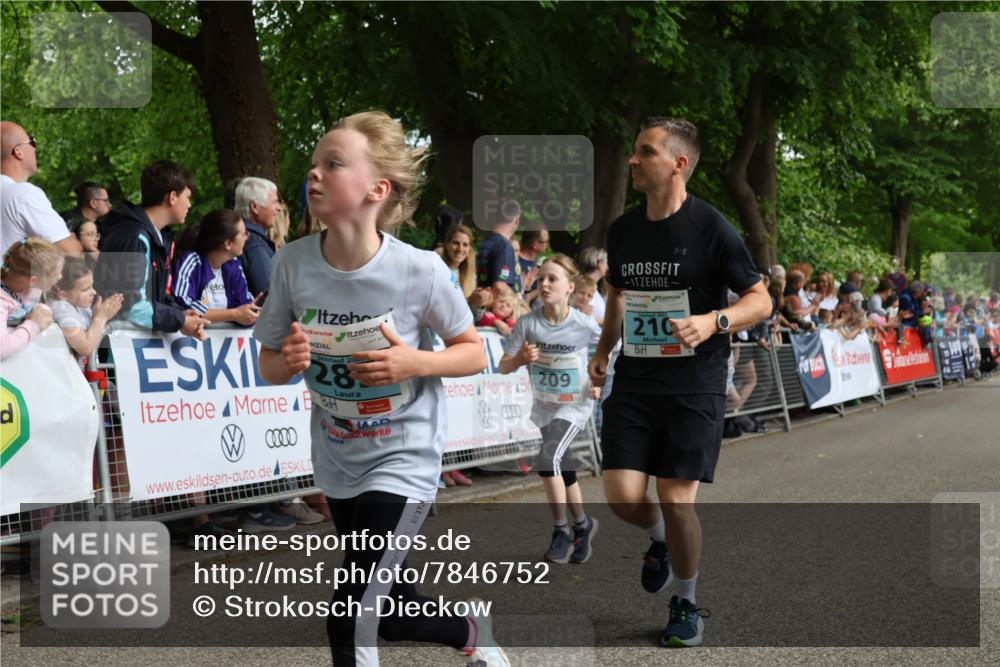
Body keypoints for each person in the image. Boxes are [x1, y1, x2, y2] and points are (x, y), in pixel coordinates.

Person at [254, 110, 509, 666]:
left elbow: (474, 350)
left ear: (378, 188)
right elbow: (269, 364)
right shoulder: (293, 263)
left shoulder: (419, 270)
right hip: (339, 455)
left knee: (353, 608)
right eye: (313, 164)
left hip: (405, 454)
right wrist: (290, 359)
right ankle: (468, 630)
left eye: (333, 163)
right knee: (391, 606)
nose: (313, 174)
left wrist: (412, 362)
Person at [587, 117, 771, 648]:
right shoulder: (622, 231)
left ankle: (686, 602)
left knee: (676, 497)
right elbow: (618, 297)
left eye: (645, 152)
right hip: (637, 382)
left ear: (678, 163)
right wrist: (603, 351)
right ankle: (660, 540)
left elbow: (760, 300)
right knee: (621, 498)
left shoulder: (711, 227)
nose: (633, 161)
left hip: (696, 383)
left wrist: (713, 321)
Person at [498, 253, 602, 564]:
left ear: (570, 286)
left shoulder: (583, 325)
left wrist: (598, 378)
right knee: (562, 466)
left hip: (574, 406)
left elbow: (608, 351)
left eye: (552, 279)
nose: (544, 284)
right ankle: (583, 525)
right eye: (541, 278)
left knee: (547, 458)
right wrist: (520, 360)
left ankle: (562, 531)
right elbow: (504, 365)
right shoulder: (528, 323)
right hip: (544, 405)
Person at [94, 160, 208, 339]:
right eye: (187, 197)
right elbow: (132, 307)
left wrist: (182, 314)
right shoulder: (133, 236)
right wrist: (179, 320)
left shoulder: (158, 237)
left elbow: (158, 296)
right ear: (172, 197)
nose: (190, 205)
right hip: (117, 348)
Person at [0, 122, 83, 254]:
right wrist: (72, 239)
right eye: (32, 142)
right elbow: (70, 252)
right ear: (18, 151)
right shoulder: (23, 194)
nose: (35, 148)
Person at [172, 209, 261, 326]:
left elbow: (242, 303)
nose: (247, 237)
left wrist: (252, 310)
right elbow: (183, 306)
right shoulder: (192, 262)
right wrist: (234, 314)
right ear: (228, 244)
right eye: (244, 233)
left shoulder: (233, 265)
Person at [49, 256, 123, 363]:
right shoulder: (59, 308)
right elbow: (85, 348)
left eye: (92, 286)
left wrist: (98, 314)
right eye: (85, 289)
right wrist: (101, 317)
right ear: (63, 295)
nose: (93, 292)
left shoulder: (80, 306)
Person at [1, 238, 63, 359]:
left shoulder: (34, 288)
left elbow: (36, 308)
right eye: (55, 274)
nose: (59, 277)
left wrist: (41, 309)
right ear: (33, 280)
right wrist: (34, 324)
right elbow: (1, 348)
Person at [234, 176, 281, 297]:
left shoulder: (241, 238)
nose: (279, 208)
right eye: (274, 202)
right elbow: (268, 295)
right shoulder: (254, 245)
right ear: (254, 207)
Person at [475, 198, 522, 292]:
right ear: (516, 221)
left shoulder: (486, 243)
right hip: (502, 305)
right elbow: (500, 286)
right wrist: (521, 305)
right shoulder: (504, 246)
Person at [435, 222, 477, 298]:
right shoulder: (435, 267)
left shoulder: (471, 277)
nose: (460, 249)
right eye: (456, 243)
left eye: (465, 245)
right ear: (447, 245)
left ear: (469, 249)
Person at [578, 247, 609, 324]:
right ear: (600, 264)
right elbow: (583, 319)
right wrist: (609, 320)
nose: (608, 266)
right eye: (606, 262)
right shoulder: (586, 289)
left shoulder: (589, 287)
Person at [517, 226, 548, 303]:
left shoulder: (537, 264)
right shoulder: (516, 262)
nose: (547, 244)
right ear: (535, 245)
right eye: (546, 241)